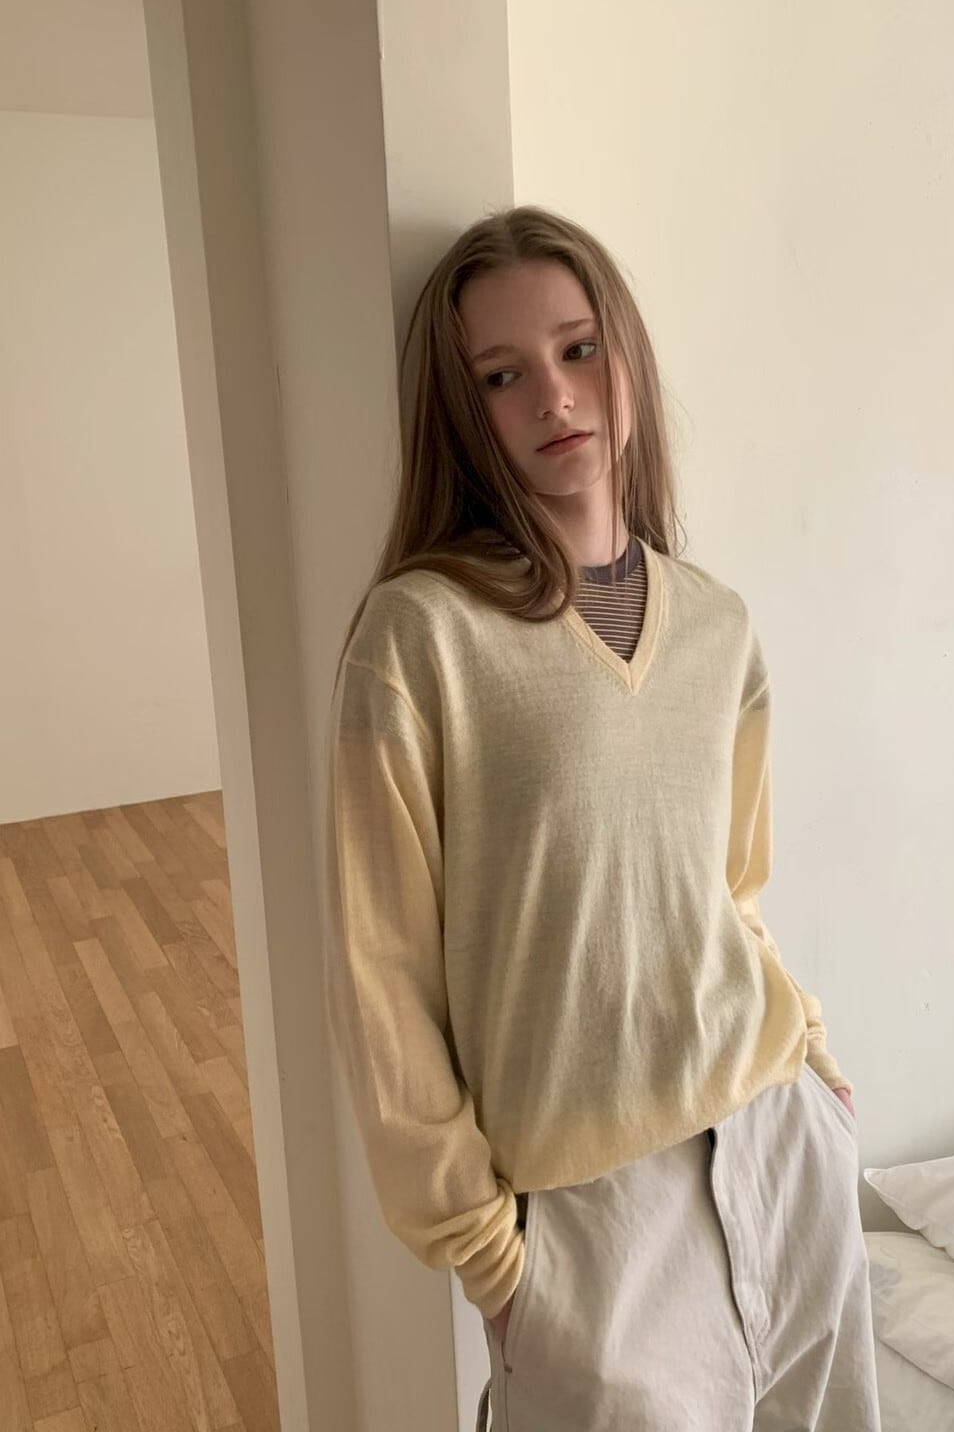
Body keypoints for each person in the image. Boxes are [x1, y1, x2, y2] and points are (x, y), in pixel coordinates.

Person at [324, 204, 882, 1430]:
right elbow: (382, 983)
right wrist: (492, 1260)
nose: (554, 396)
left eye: (579, 349)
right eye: (503, 374)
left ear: (624, 353)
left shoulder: (718, 625)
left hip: (780, 1141)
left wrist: (818, 1073)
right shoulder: (419, 639)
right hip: (589, 1226)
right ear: (464, 410)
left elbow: (728, 893)